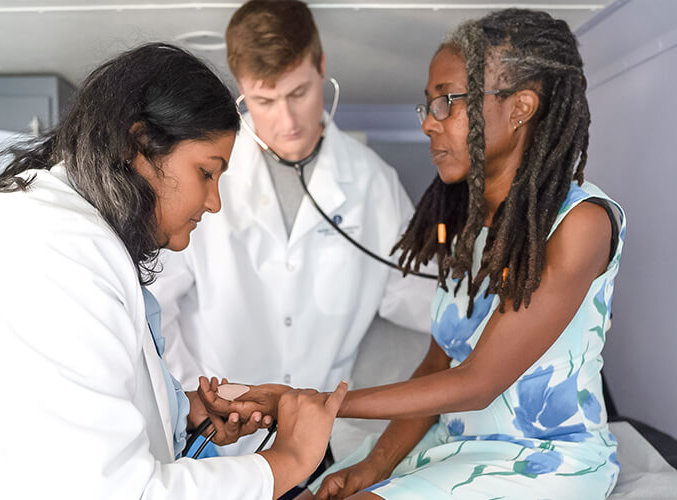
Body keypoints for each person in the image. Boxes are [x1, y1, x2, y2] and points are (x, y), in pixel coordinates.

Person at [0, 43, 347, 500]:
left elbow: (67, 422)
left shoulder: (64, 232)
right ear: (139, 146)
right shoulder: (61, 262)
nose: (214, 202)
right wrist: (286, 463)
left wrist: (180, 414)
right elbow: (120, 491)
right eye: (207, 172)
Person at [204, 8, 625, 499]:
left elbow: (477, 382)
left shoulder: (581, 223)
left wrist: (313, 404)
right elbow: (436, 366)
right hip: (450, 444)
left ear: (521, 107)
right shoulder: (463, 228)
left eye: (447, 101)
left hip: (541, 456)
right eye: (427, 106)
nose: (429, 123)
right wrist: (375, 463)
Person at [149, 0, 436, 457]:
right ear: (240, 88)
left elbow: (415, 295)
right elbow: (157, 303)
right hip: (215, 432)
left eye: (299, 93)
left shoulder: (370, 181)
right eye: (264, 100)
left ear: (321, 67)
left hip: (323, 440)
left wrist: (493, 297)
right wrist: (186, 395)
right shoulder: (204, 172)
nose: (286, 121)